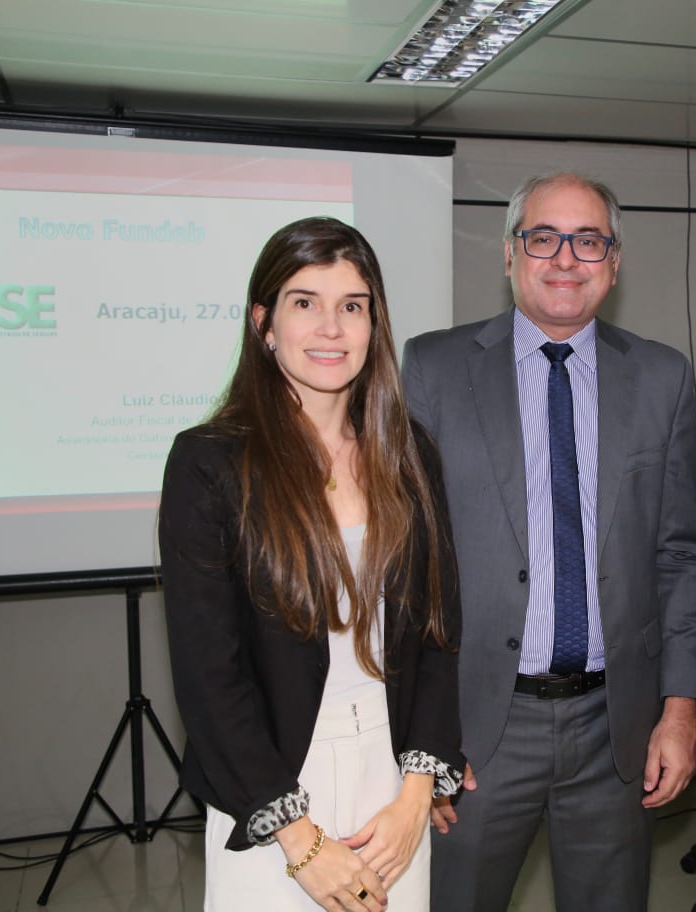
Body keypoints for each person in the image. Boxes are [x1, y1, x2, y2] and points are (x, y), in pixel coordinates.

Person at [401, 172, 696, 911]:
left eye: (589, 240)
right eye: (543, 237)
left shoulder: (662, 377)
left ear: (614, 260)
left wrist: (681, 708)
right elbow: (402, 563)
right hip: (477, 727)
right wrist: (418, 736)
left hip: (618, 728)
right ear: (510, 255)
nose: (565, 258)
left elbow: (682, 556)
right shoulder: (434, 369)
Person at [158, 217, 463, 912]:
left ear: (373, 324)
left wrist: (418, 792)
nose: (331, 328)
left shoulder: (410, 452)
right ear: (264, 324)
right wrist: (297, 837)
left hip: (392, 782)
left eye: (352, 306)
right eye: (306, 303)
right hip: (269, 781)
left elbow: (440, 633)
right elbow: (210, 678)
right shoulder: (209, 464)